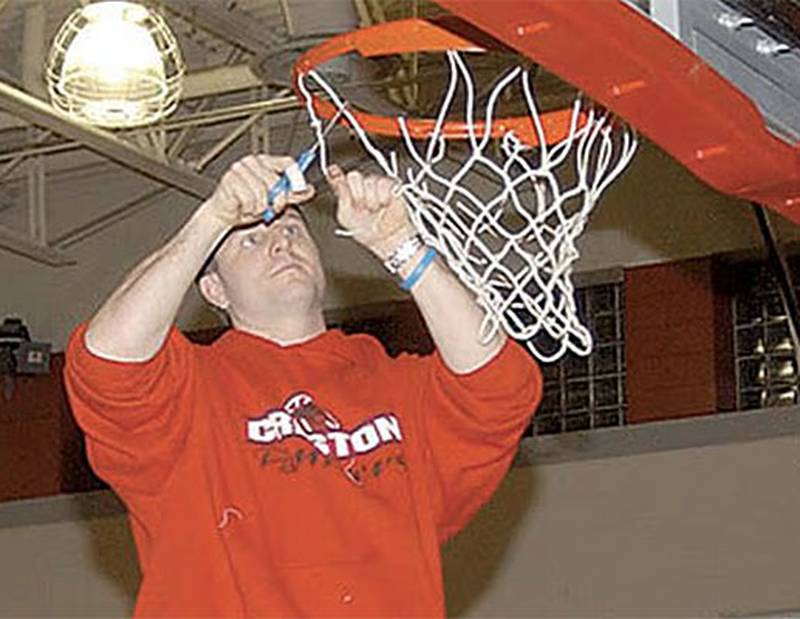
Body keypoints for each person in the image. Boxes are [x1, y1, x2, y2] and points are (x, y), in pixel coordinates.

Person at [64, 153, 542, 617]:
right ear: (214, 290)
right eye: (248, 240)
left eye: (292, 229)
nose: (280, 243)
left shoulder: (395, 386)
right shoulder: (187, 392)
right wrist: (213, 217)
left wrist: (401, 245)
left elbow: (501, 389)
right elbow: (107, 358)